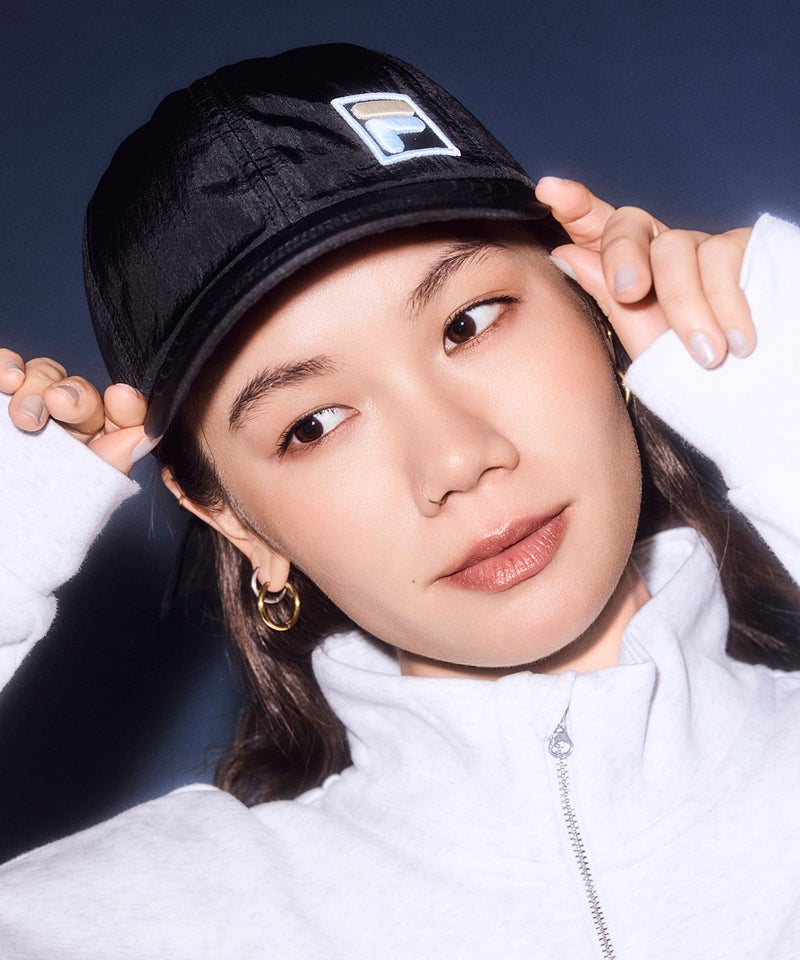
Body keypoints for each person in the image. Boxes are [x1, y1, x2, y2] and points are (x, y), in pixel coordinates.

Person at [1, 42, 799, 959]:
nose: (454, 459)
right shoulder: (134, 928)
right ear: (233, 519)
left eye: (468, 323)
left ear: (596, 307)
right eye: (313, 424)